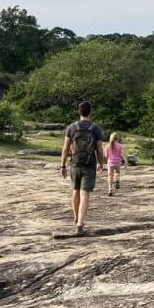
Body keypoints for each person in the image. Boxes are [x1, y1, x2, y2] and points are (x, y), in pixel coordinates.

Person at [60, 101, 106, 235]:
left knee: (75, 191)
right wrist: (101, 163)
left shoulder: (71, 127)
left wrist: (62, 165)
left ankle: (76, 218)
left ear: (79, 112)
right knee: (85, 194)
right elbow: (99, 149)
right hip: (89, 165)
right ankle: (80, 224)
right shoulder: (95, 129)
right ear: (90, 112)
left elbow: (65, 148)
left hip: (75, 164)